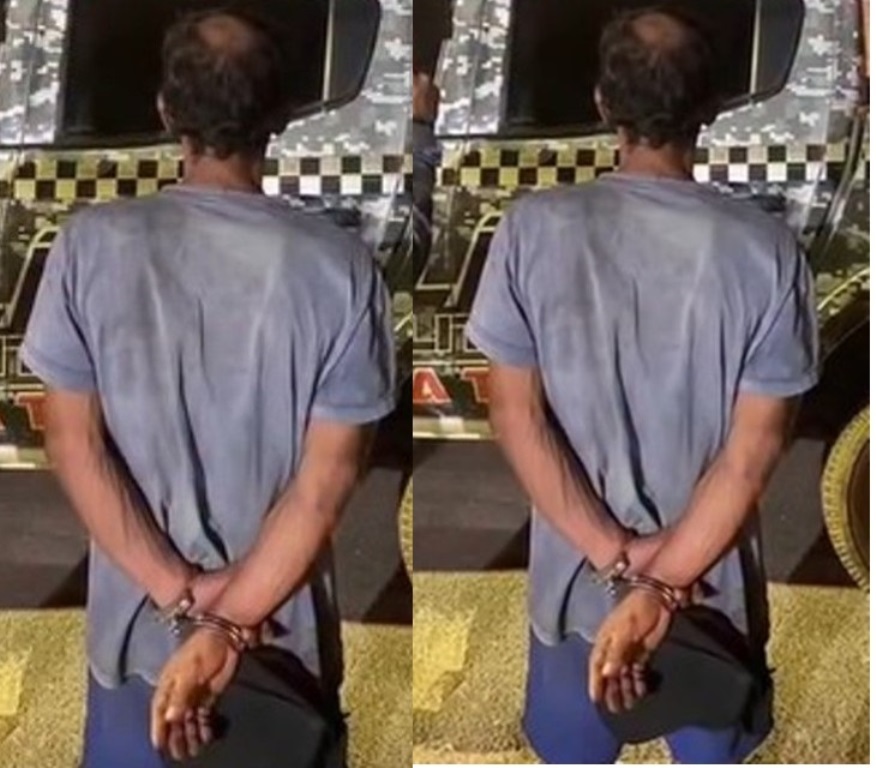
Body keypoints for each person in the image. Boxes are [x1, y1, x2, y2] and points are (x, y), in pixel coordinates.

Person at [22, 10, 394, 767]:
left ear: (167, 112)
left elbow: (72, 444)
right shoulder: (341, 270)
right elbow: (325, 484)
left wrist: (180, 599)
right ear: (279, 117)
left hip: (139, 645)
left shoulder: (89, 247)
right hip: (277, 656)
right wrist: (229, 623)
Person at [467, 7, 818, 765]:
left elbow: (516, 416)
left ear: (604, 102)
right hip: (710, 598)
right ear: (711, 109)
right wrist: (665, 583)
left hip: (577, 593)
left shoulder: (531, 229)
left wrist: (618, 564)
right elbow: (752, 454)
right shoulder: (768, 252)